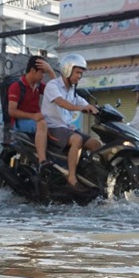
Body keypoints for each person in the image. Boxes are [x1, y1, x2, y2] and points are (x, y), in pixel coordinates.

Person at [40, 53, 101, 191]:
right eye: (77, 72)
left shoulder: (72, 90)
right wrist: (82, 108)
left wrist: (98, 109)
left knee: (96, 144)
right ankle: (71, 178)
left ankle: (90, 176)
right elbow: (62, 103)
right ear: (68, 69)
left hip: (66, 129)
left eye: (81, 73)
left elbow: (83, 103)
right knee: (77, 140)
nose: (79, 76)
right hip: (53, 128)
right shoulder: (52, 85)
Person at [8, 55, 49, 168]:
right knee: (42, 123)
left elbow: (55, 91)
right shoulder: (16, 87)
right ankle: (42, 161)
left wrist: (50, 70)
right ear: (32, 70)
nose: (43, 76)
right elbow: (11, 111)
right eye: (42, 72)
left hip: (35, 121)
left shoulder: (38, 85)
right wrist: (33, 116)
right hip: (21, 122)